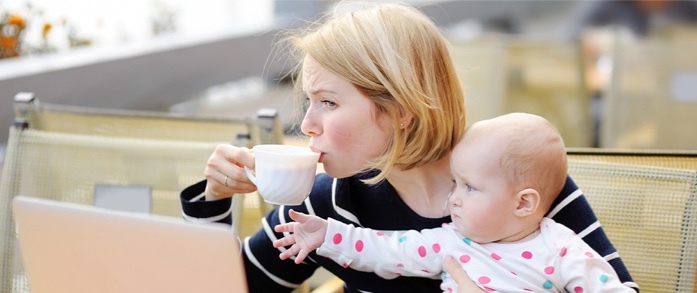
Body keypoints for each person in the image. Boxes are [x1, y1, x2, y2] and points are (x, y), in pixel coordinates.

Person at [179, 2, 637, 292]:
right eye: (309, 102)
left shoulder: (516, 187)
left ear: (400, 107)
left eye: (329, 102)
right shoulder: (329, 204)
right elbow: (221, 288)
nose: (308, 124)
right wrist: (214, 200)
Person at [273, 113, 634, 292]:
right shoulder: (451, 242)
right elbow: (384, 249)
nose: (454, 198)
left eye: (470, 188)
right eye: (455, 184)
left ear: (523, 204)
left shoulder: (561, 248)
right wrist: (327, 234)